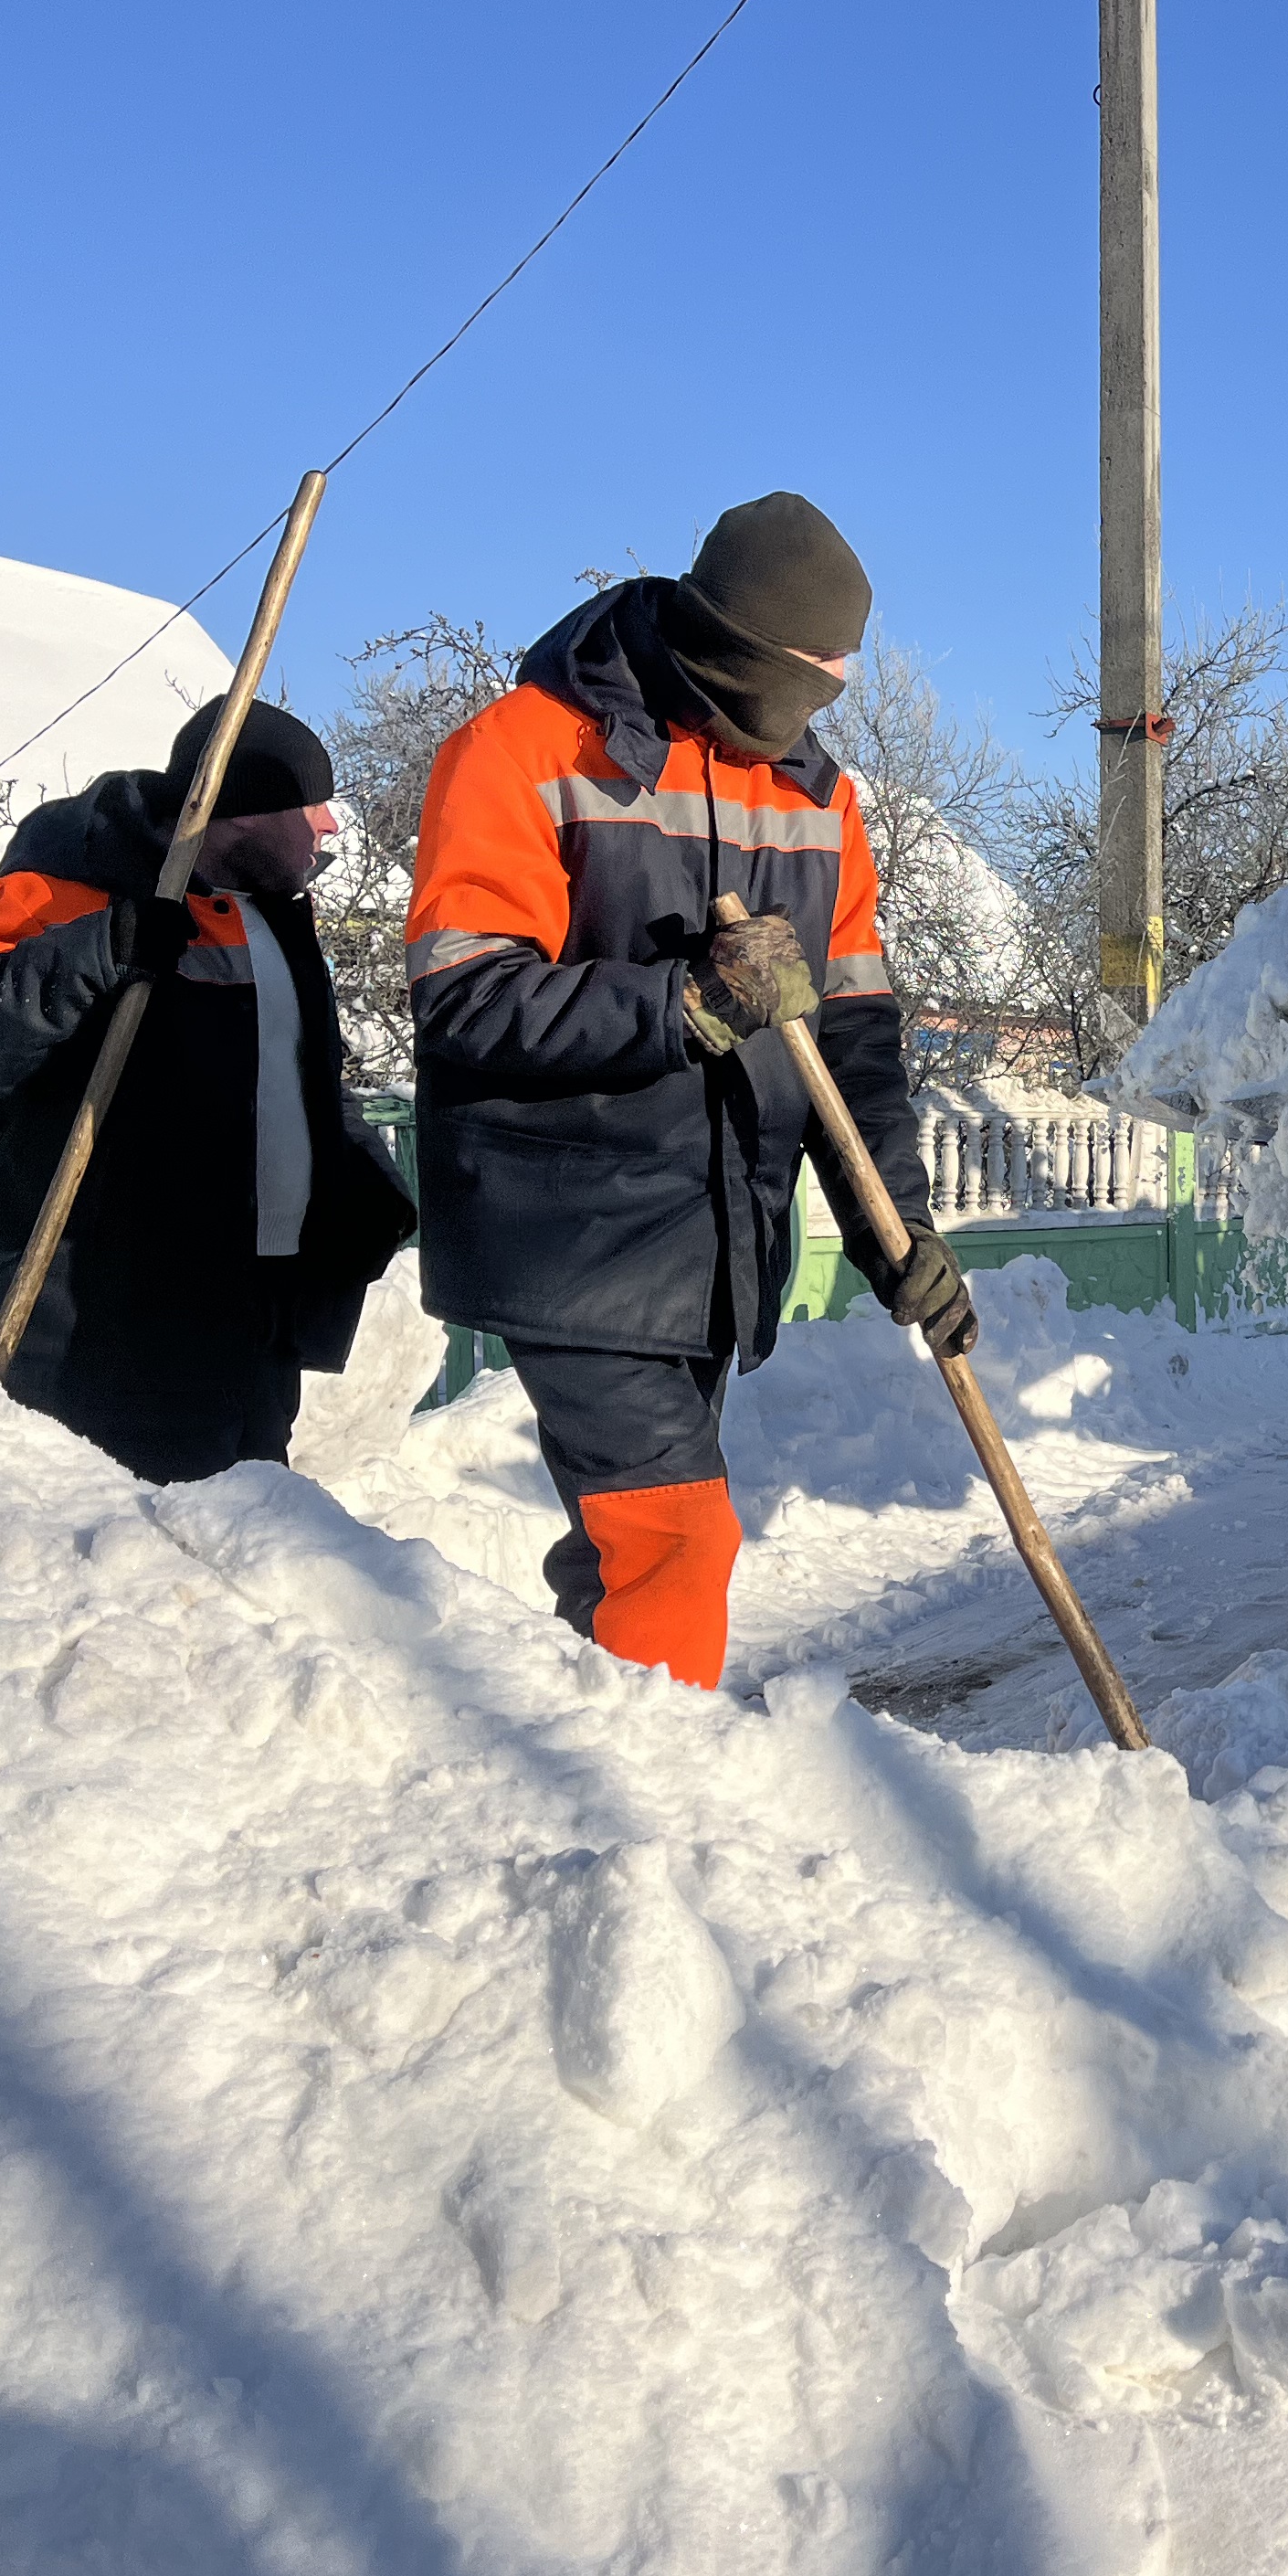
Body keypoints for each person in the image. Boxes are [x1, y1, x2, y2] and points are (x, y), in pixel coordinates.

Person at [404, 492, 972, 1692]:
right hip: (569, 1223)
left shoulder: (819, 800)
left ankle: (590, 1737)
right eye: (815, 671)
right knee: (676, 1537)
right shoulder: (527, 749)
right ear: (738, 651)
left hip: (716, 1239)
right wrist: (691, 1004)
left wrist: (899, 1231)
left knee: (628, 1555)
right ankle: (656, 1784)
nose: (829, 698)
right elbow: (467, 998)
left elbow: (853, 1044)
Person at [0, 698, 419, 1480]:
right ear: (245, 810)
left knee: (237, 1542)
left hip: (249, 1331)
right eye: (313, 803)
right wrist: (99, 949)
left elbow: (296, 1077)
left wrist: (364, 1186)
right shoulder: (60, 890)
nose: (330, 825)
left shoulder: (275, 923)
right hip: (85, 1334)